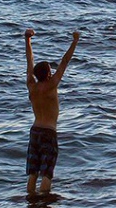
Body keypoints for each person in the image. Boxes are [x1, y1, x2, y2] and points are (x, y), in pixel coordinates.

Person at [24, 27, 80, 195]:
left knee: (32, 173)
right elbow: (65, 62)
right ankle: (44, 205)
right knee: (46, 174)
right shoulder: (51, 85)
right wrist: (75, 41)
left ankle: (31, 204)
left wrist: (27, 40)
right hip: (49, 132)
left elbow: (29, 62)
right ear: (48, 74)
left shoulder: (31, 86)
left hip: (34, 131)